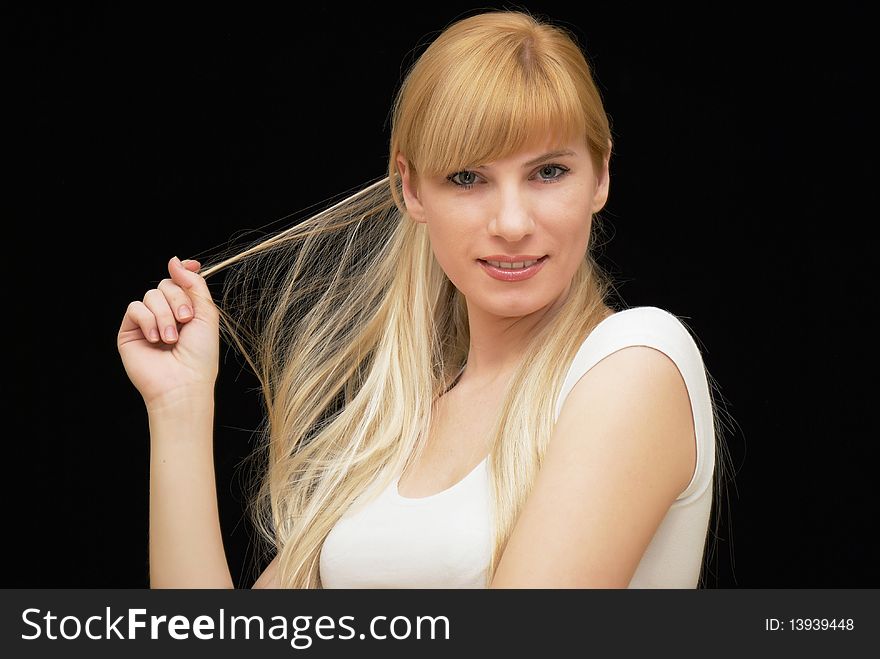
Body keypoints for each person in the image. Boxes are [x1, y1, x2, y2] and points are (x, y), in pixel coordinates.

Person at [117, 9, 728, 589]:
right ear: (410, 190)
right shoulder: (395, 427)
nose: (512, 222)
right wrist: (179, 406)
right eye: (468, 177)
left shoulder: (638, 361)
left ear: (601, 175)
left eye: (548, 172)